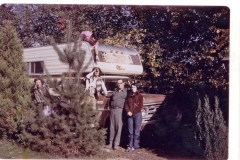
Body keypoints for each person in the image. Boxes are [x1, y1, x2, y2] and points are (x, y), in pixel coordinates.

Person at [105, 79, 128, 150]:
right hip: (112, 110)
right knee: (111, 127)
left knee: (119, 127)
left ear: (123, 83)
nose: (119, 84)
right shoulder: (114, 92)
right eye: (117, 83)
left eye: (120, 83)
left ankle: (116, 144)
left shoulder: (126, 92)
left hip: (120, 110)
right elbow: (110, 100)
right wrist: (109, 106)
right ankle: (110, 143)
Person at [124, 83, 143, 152]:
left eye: (134, 87)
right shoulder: (129, 96)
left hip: (137, 115)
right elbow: (126, 105)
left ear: (137, 88)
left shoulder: (140, 96)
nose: (133, 88)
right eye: (132, 87)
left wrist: (132, 112)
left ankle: (135, 146)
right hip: (129, 115)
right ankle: (130, 145)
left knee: (136, 131)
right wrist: (128, 111)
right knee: (130, 131)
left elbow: (140, 106)